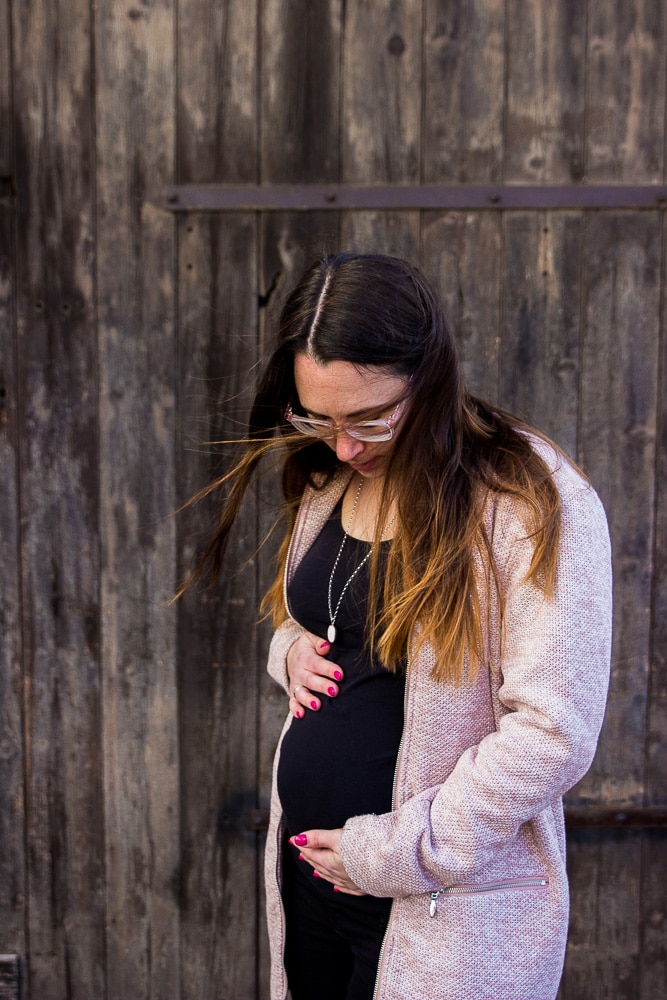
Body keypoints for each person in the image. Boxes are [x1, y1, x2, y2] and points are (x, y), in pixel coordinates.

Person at [182, 253, 612, 1000]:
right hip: (311, 880)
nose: (343, 445)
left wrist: (390, 852)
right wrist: (287, 650)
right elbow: (325, 618)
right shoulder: (335, 475)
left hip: (440, 899)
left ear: (431, 378)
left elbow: (553, 732)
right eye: (317, 417)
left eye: (370, 418)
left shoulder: (529, 502)